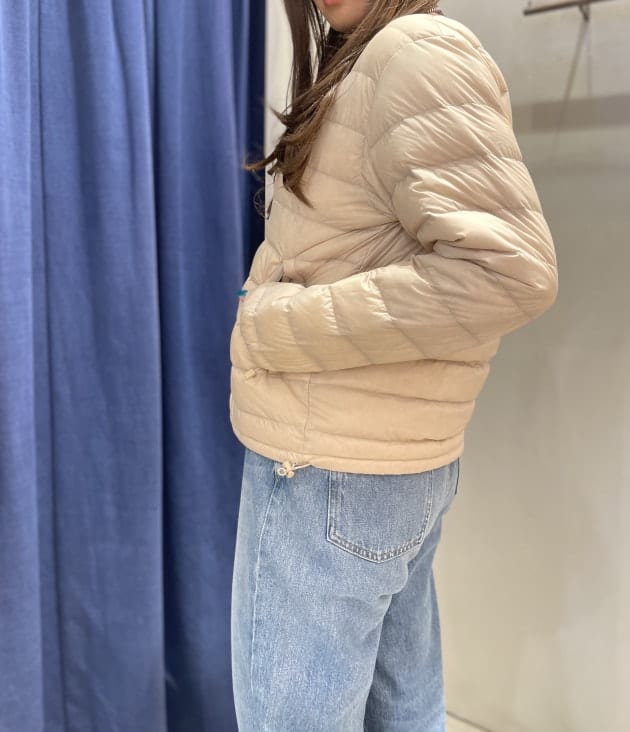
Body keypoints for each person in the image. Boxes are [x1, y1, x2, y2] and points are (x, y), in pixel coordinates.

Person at [229, 1, 559, 730]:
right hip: (374, 468)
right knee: (403, 708)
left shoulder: (411, 52)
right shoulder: (378, 55)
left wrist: (278, 325)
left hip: (327, 467)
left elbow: (510, 273)